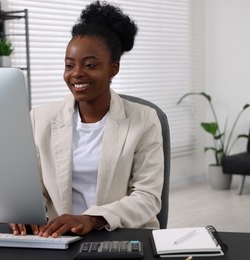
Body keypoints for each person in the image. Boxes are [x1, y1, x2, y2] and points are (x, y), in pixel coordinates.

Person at [10, 0, 164, 238]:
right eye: (69, 65)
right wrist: (25, 213)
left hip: (121, 235)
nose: (77, 74)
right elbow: (32, 189)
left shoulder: (144, 119)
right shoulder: (40, 118)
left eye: (90, 65)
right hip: (59, 238)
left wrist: (92, 219)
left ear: (114, 68)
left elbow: (147, 197)